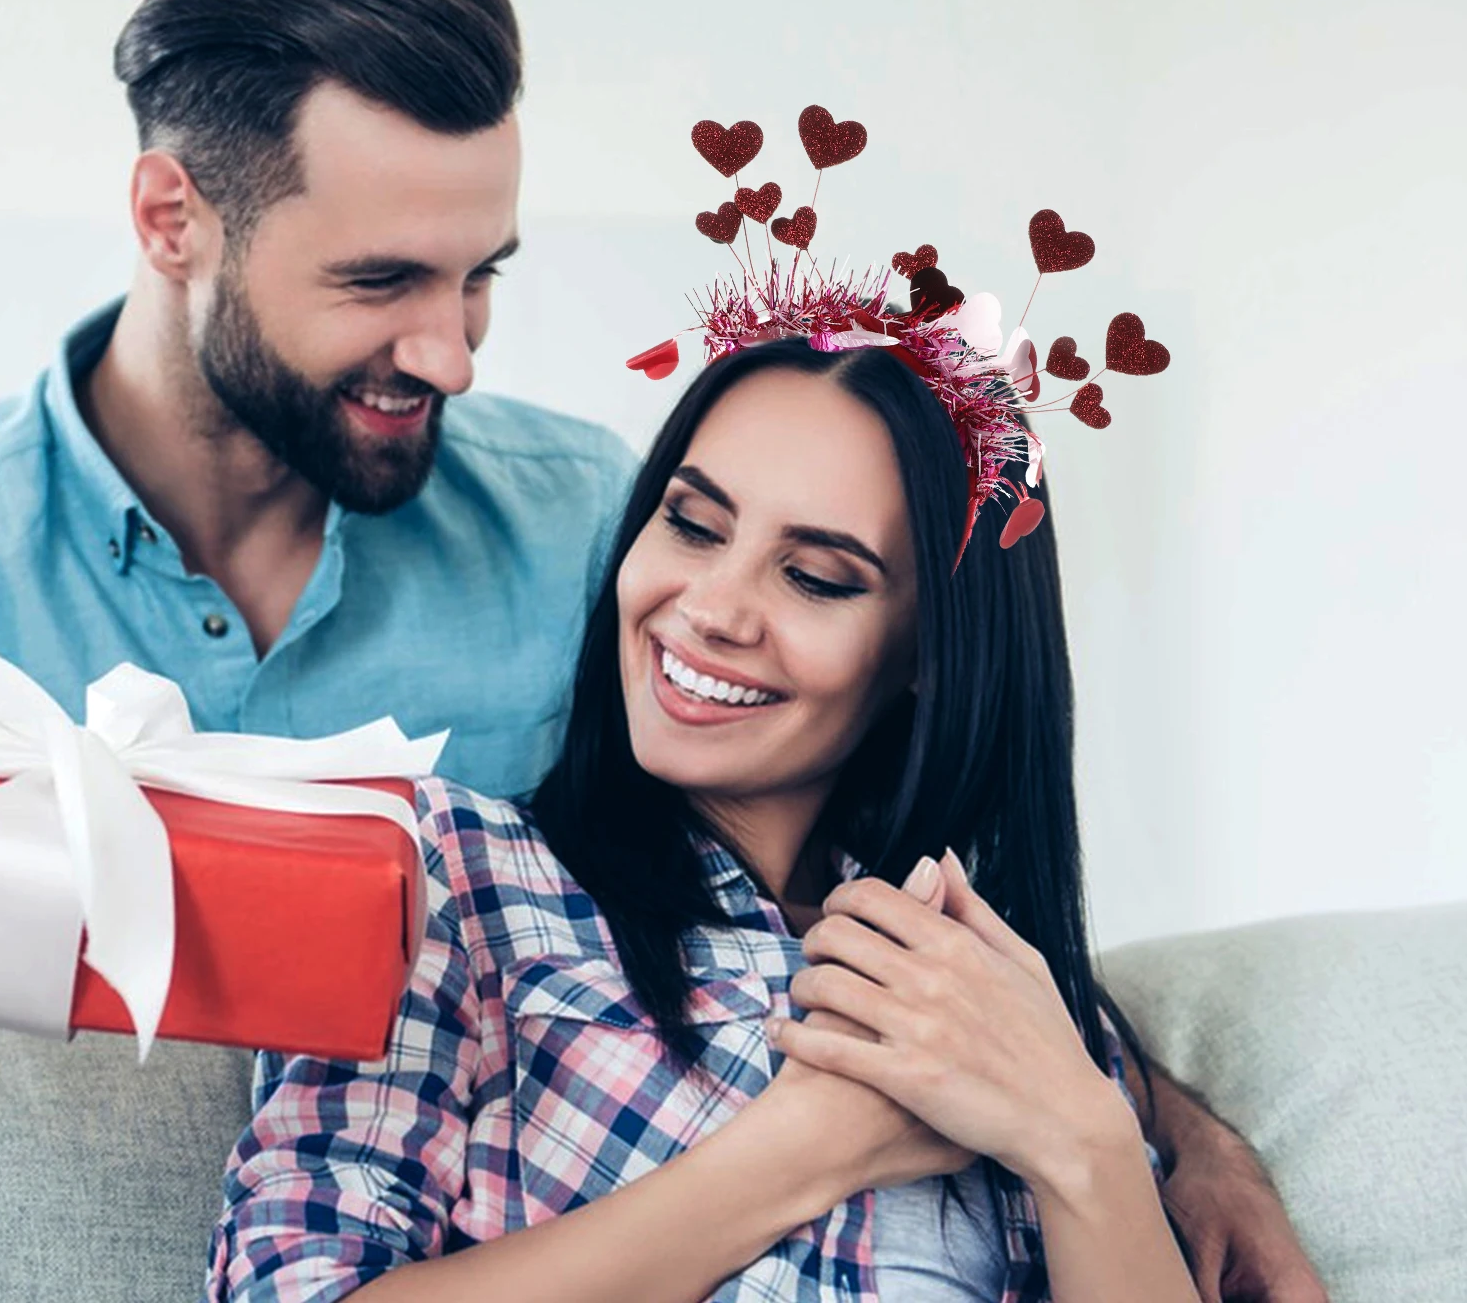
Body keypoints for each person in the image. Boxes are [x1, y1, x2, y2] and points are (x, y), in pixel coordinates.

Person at [0, 0, 1322, 1303]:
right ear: (174, 220)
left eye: (482, 280)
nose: (451, 356)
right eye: (382, 280)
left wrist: (1161, 1140)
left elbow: (944, 855)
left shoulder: (585, 510)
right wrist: (804, 1149)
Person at [212, 335, 1195, 1301]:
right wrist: (802, 1150)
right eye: (691, 523)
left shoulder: (991, 996)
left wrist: (1086, 1143)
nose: (713, 608)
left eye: (814, 576)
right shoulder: (439, 874)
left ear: (931, 651)